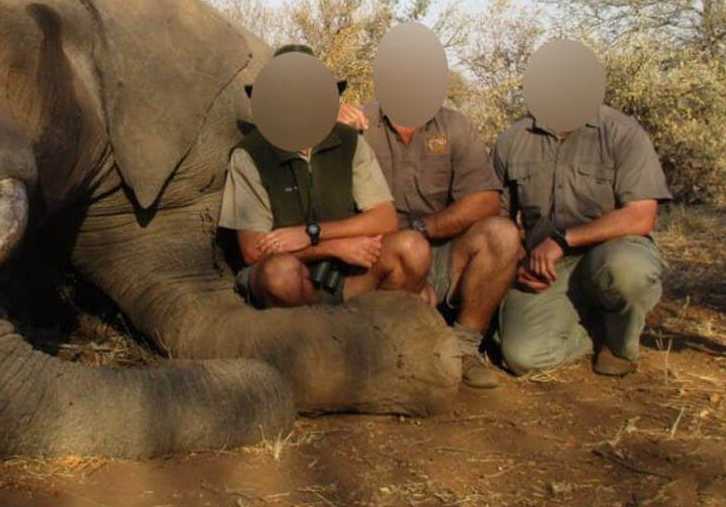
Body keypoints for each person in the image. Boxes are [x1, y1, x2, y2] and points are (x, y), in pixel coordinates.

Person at [220, 46, 430, 308]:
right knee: (279, 274)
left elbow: (385, 218)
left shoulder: (349, 141)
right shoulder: (250, 154)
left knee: (412, 248)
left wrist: (312, 234)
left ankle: (381, 334)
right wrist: (332, 247)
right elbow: (253, 251)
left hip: (348, 271)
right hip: (294, 276)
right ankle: (319, 340)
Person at [338, 100, 521, 388]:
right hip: (383, 253)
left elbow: (487, 199)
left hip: (437, 246)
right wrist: (336, 134)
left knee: (503, 234)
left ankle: (464, 348)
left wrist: (422, 232)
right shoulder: (357, 122)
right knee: (405, 252)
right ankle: (395, 352)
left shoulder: (455, 126)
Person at [491, 104, 671, 377]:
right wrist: (518, 257)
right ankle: (595, 331)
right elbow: (496, 216)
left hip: (614, 248)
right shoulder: (513, 139)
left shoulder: (622, 132)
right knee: (521, 355)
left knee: (626, 270)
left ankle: (619, 342)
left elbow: (640, 216)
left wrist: (563, 240)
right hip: (549, 263)